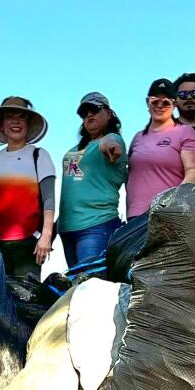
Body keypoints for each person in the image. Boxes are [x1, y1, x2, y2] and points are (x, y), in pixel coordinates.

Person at [0, 96, 55, 278]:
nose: (15, 121)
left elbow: (49, 198)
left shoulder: (38, 155)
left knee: (27, 299)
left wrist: (45, 236)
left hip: (28, 243)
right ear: (1, 125)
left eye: (21, 117)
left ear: (28, 124)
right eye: (9, 116)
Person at [59, 92, 128, 267]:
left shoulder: (111, 140)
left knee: (90, 285)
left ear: (109, 114)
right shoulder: (74, 149)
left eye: (94, 110)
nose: (89, 115)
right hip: (67, 228)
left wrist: (110, 144)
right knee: (75, 286)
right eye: (84, 112)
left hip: (97, 225)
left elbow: (112, 142)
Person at [126, 78, 195, 219]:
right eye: (155, 101)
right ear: (147, 103)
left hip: (167, 214)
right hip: (134, 215)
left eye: (166, 102)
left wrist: (171, 202)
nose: (160, 105)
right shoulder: (138, 137)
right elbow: (129, 176)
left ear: (174, 104)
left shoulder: (184, 132)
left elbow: (193, 171)